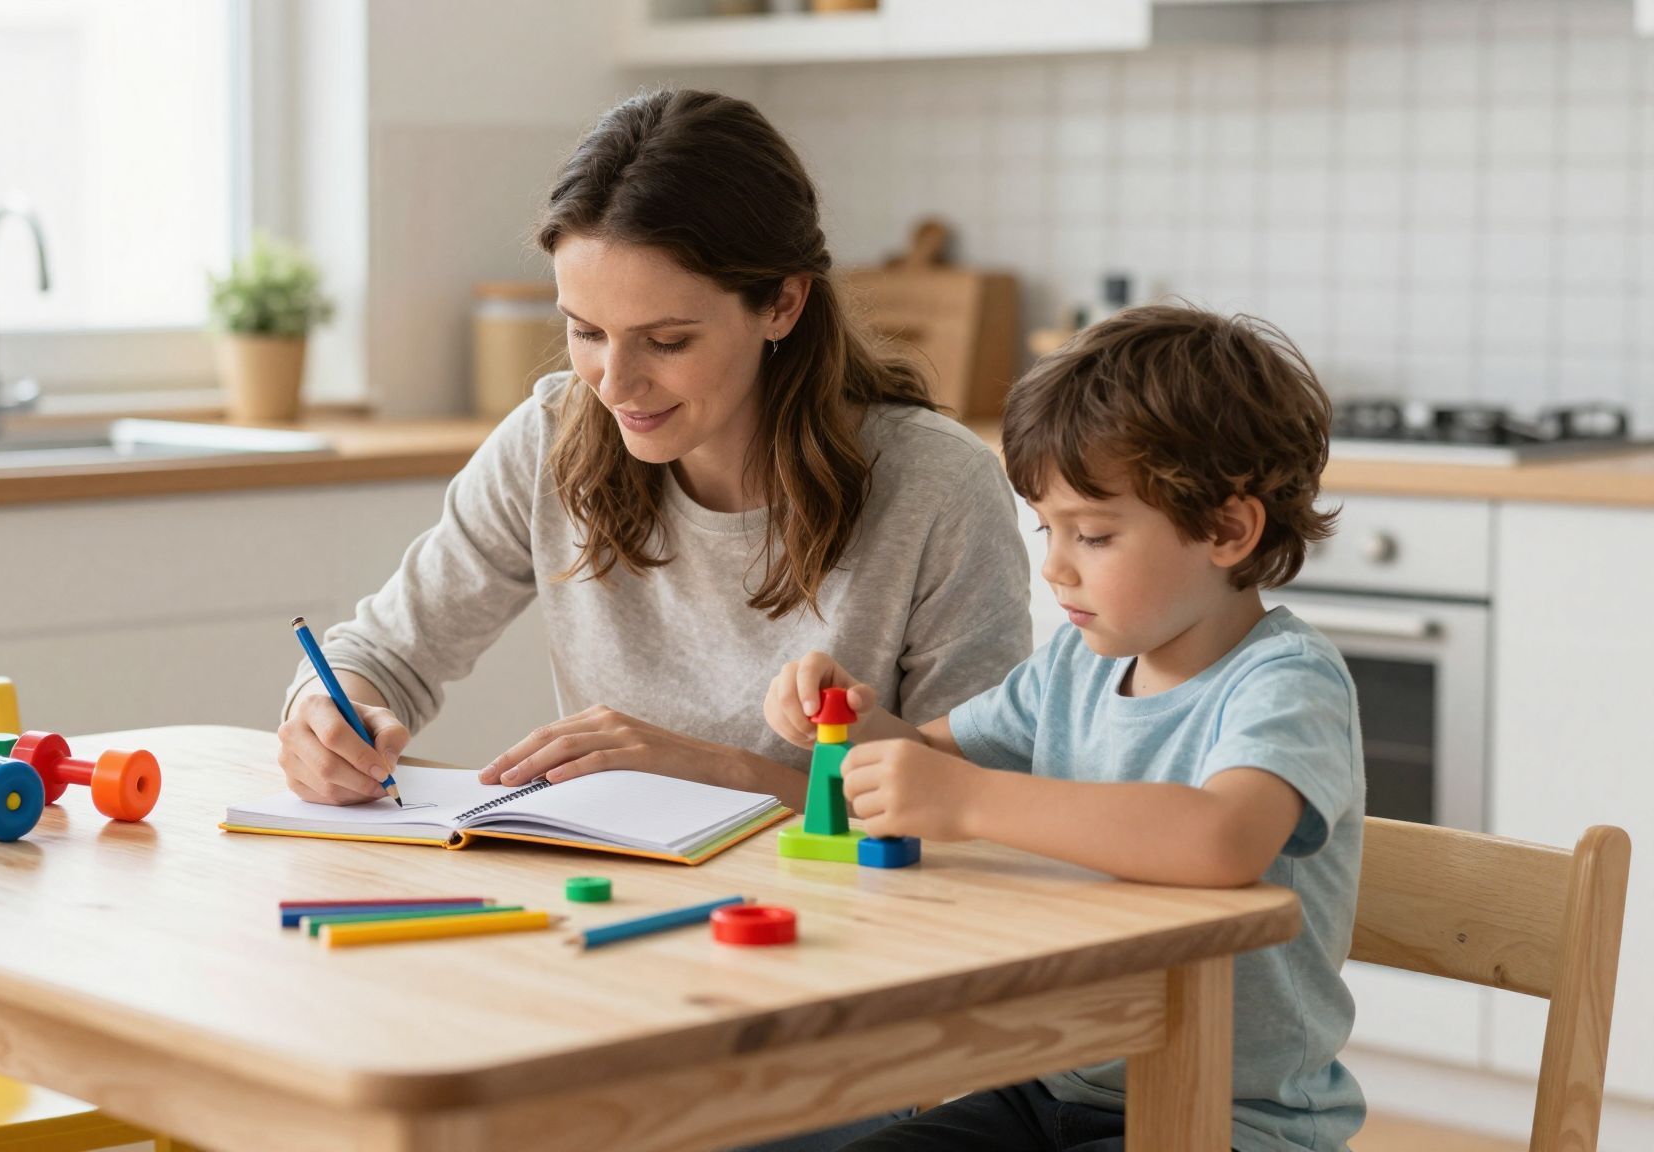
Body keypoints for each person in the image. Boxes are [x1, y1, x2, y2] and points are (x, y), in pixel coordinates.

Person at [277, 88, 1030, 818]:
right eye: (586, 332)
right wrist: (329, 716)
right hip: (619, 904)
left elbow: (985, 801)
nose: (615, 384)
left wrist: (723, 773)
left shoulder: (937, 486)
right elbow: (381, 656)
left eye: (667, 341)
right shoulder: (550, 438)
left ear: (783, 304)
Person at [766, 304, 1366, 1152]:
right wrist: (842, 723)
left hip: (1226, 1121)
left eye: (1094, 533)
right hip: (1043, 1084)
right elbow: (921, 762)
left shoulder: (1284, 683)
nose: (1053, 563)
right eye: (1048, 527)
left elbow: (1223, 840)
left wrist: (970, 801)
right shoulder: (1074, 668)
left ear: (1228, 530)